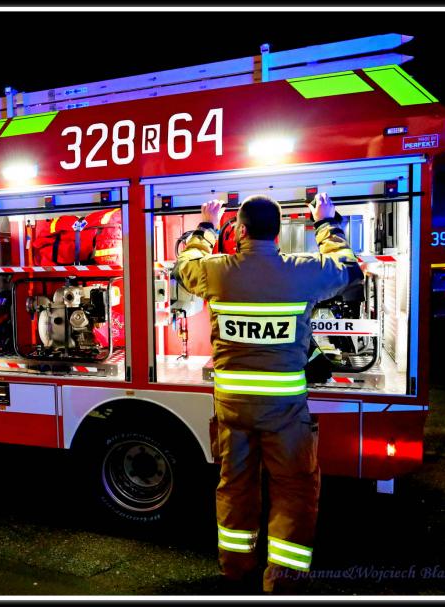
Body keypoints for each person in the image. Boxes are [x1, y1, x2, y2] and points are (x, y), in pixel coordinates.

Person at [172, 192, 363, 594]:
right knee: (294, 486)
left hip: (233, 408)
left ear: (240, 231)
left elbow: (184, 265)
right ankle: (283, 579)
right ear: (278, 234)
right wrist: (325, 222)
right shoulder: (302, 271)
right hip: (284, 410)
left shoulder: (218, 271)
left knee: (235, 485)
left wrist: (207, 226)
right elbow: (348, 269)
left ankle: (236, 567)